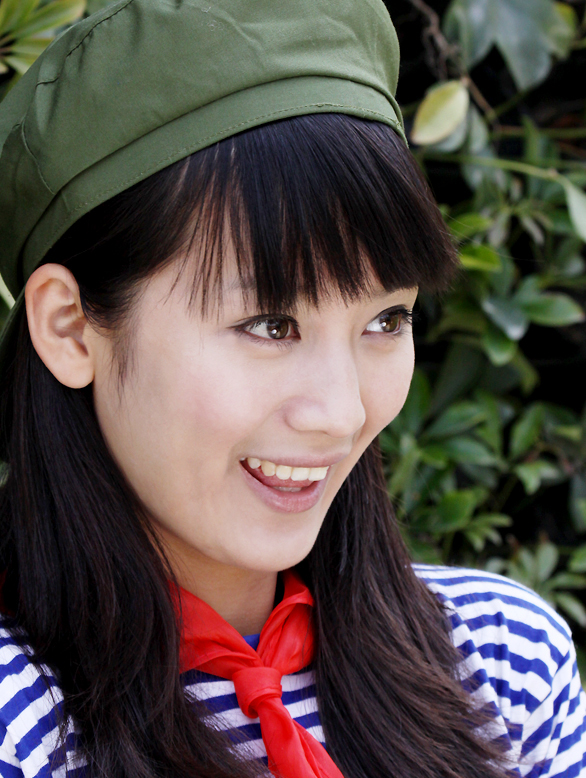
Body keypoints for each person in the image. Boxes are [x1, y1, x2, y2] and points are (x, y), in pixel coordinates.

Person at [0, 0, 584, 776]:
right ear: (72, 328)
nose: (341, 413)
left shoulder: (500, 664)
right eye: (271, 325)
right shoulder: (20, 723)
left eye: (387, 319)